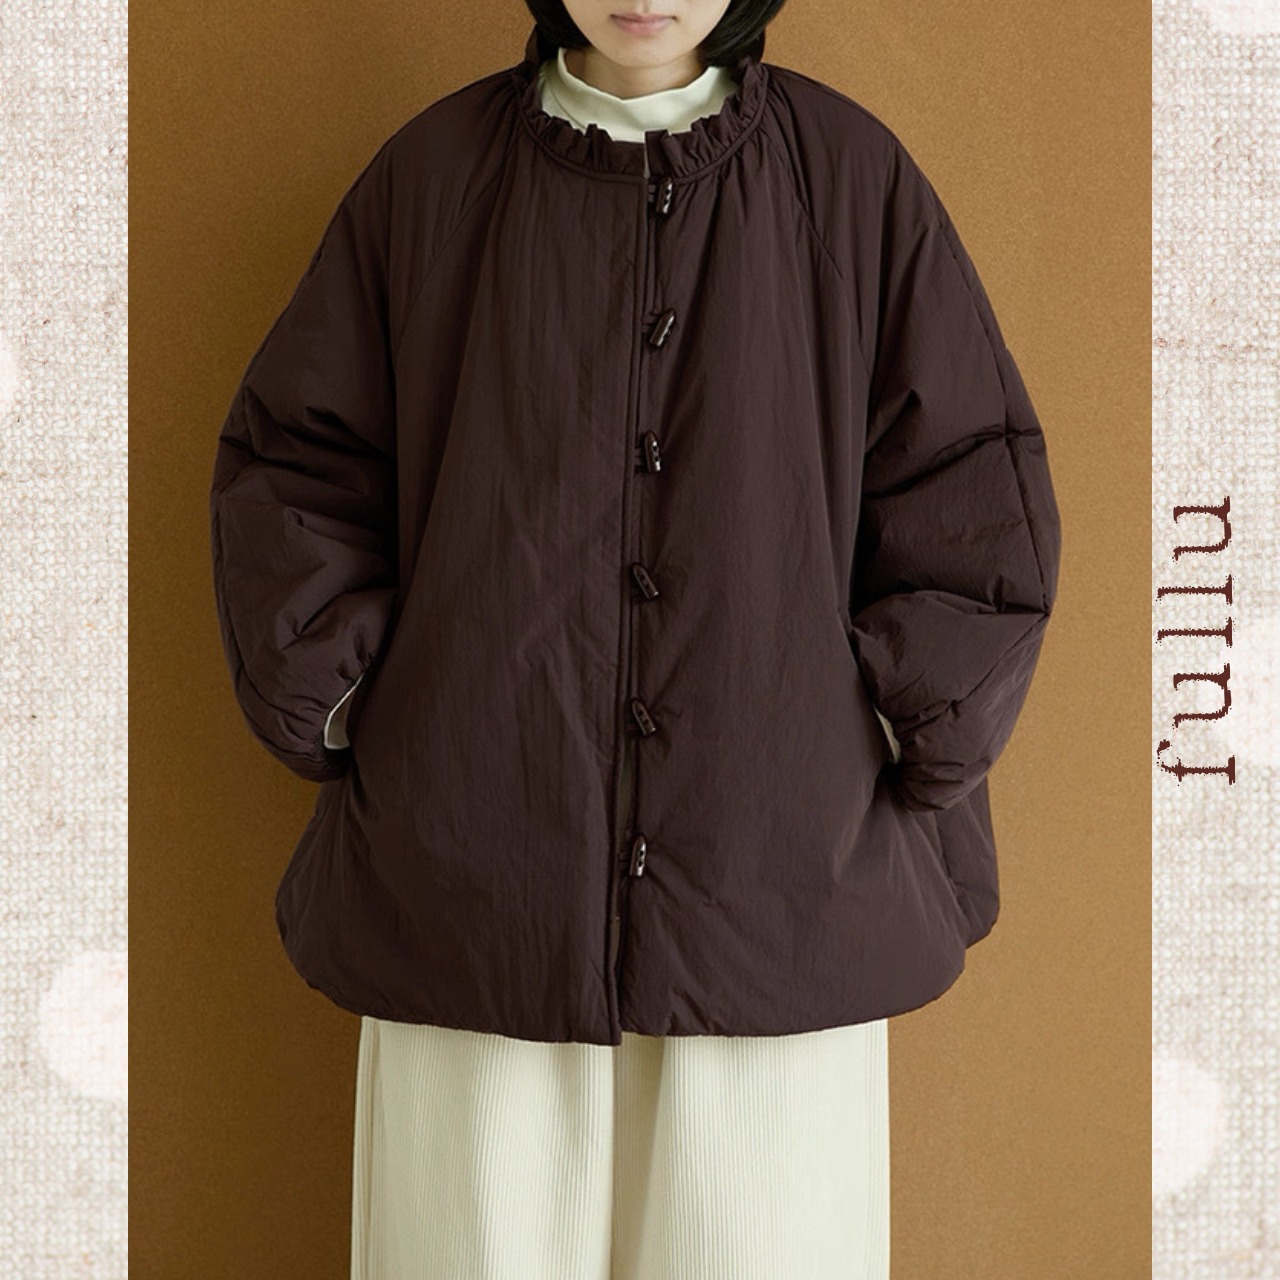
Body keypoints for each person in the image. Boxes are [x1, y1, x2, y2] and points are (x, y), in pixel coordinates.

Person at [209, 1, 1062, 1276]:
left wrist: (887, 727)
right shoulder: (431, 179)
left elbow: (969, 488)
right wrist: (362, 701)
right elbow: (295, 463)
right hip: (473, 871)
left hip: (778, 879)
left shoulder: (850, 180)